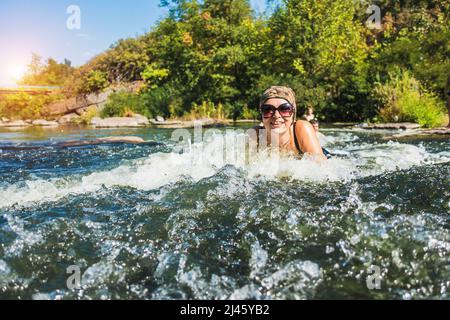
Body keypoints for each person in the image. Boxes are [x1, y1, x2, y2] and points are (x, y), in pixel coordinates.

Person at [255, 86, 325, 159]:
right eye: (268, 109)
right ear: (261, 114)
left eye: (284, 109)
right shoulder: (256, 136)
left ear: (293, 113)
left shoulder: (301, 128)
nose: (276, 116)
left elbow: (322, 166)